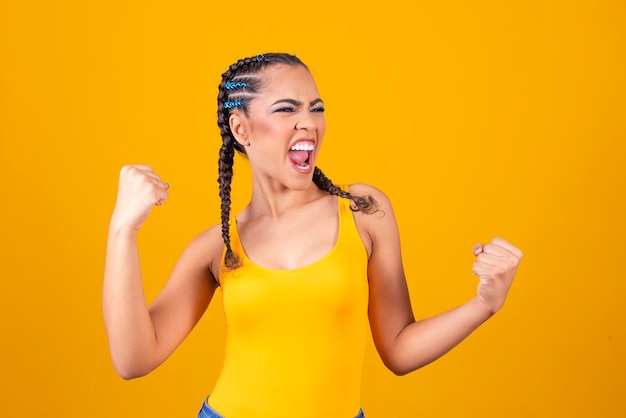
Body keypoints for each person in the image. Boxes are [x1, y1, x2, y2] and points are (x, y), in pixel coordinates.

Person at [103, 52, 523, 418]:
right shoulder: (219, 247)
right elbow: (134, 358)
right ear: (241, 129)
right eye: (287, 109)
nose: (309, 123)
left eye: (316, 108)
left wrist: (484, 304)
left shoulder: (362, 211)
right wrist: (123, 231)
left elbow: (398, 349)